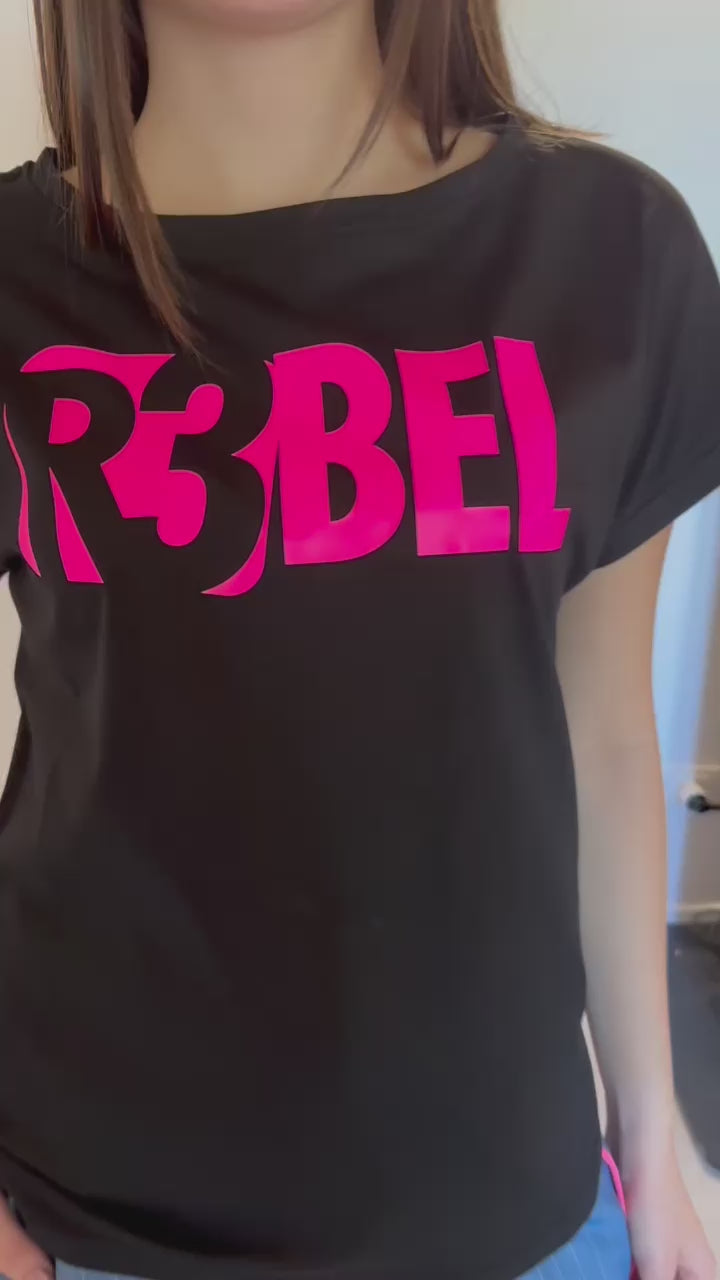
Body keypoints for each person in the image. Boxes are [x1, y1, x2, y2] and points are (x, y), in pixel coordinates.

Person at [0, 1, 718, 1278]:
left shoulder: (614, 253)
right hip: (88, 1212)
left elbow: (607, 732)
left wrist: (653, 1134)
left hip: (512, 1205)